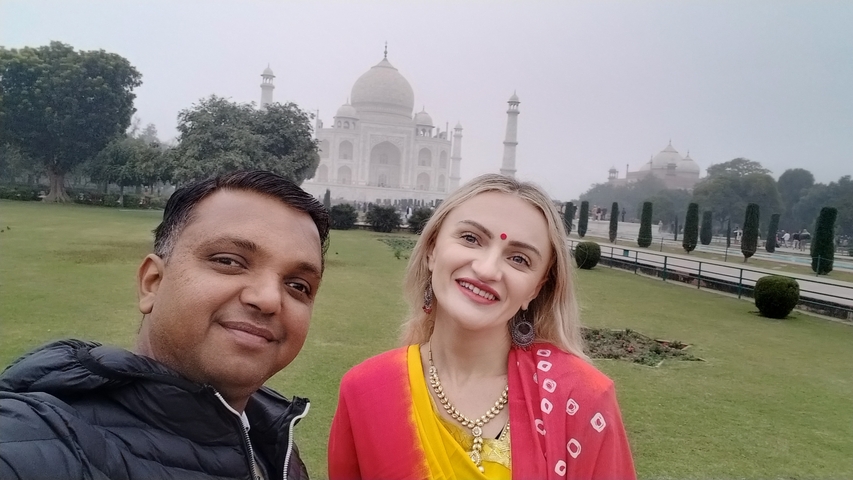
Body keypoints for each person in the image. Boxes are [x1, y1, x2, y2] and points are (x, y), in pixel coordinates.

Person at [0, 171, 330, 480]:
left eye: (298, 285)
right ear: (153, 283)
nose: (270, 299)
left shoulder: (266, 441)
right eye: (228, 261)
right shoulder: (44, 441)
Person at [328, 174, 635, 479]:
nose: (487, 269)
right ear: (432, 249)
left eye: (518, 259)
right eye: (471, 239)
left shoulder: (580, 398)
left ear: (536, 288)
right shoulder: (367, 391)